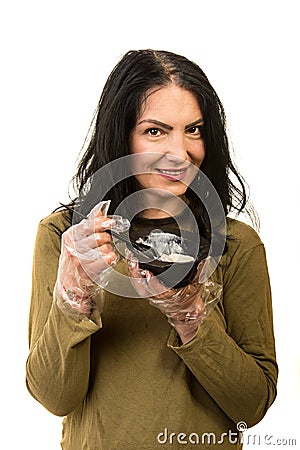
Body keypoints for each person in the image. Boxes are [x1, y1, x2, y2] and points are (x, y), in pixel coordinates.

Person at [26, 49, 278, 450]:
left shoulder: (235, 245)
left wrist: (193, 319)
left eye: (194, 130)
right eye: (156, 131)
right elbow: (55, 398)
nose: (180, 153)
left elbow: (252, 406)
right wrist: (73, 298)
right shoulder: (66, 237)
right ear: (121, 135)